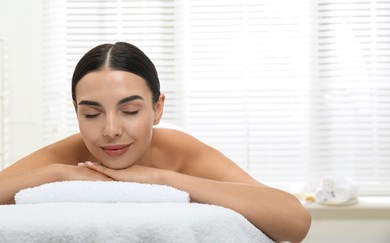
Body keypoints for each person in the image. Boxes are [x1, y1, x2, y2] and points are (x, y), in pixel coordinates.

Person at [0, 42, 311, 242]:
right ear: (76, 112)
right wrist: (57, 174)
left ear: (158, 108)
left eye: (130, 111)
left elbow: (294, 222)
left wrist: (163, 179)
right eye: (92, 114)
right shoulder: (68, 153)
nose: (110, 130)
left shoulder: (180, 151)